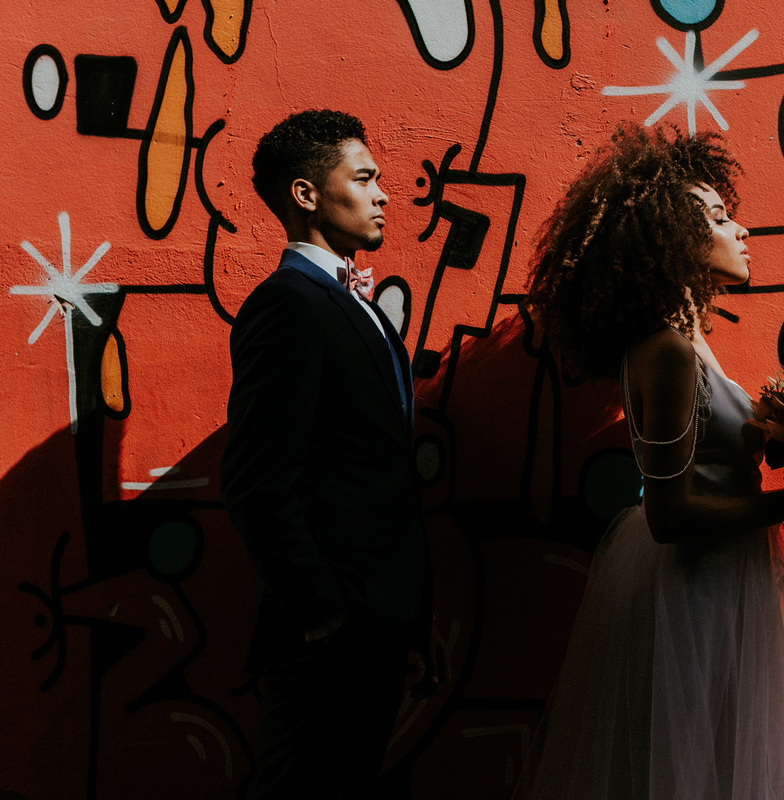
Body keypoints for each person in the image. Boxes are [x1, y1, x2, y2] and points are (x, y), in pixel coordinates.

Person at [514, 124, 784, 799]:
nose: (740, 231)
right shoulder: (671, 352)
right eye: (716, 217)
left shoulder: (689, 346)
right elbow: (671, 516)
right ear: (672, 241)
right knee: (700, 763)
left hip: (719, 585)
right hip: (696, 592)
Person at [221, 109, 447, 799]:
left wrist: (405, 618)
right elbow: (258, 482)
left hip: (376, 623)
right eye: (366, 177)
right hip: (330, 632)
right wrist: (326, 614)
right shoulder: (288, 306)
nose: (385, 194)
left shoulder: (358, 305)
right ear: (306, 194)